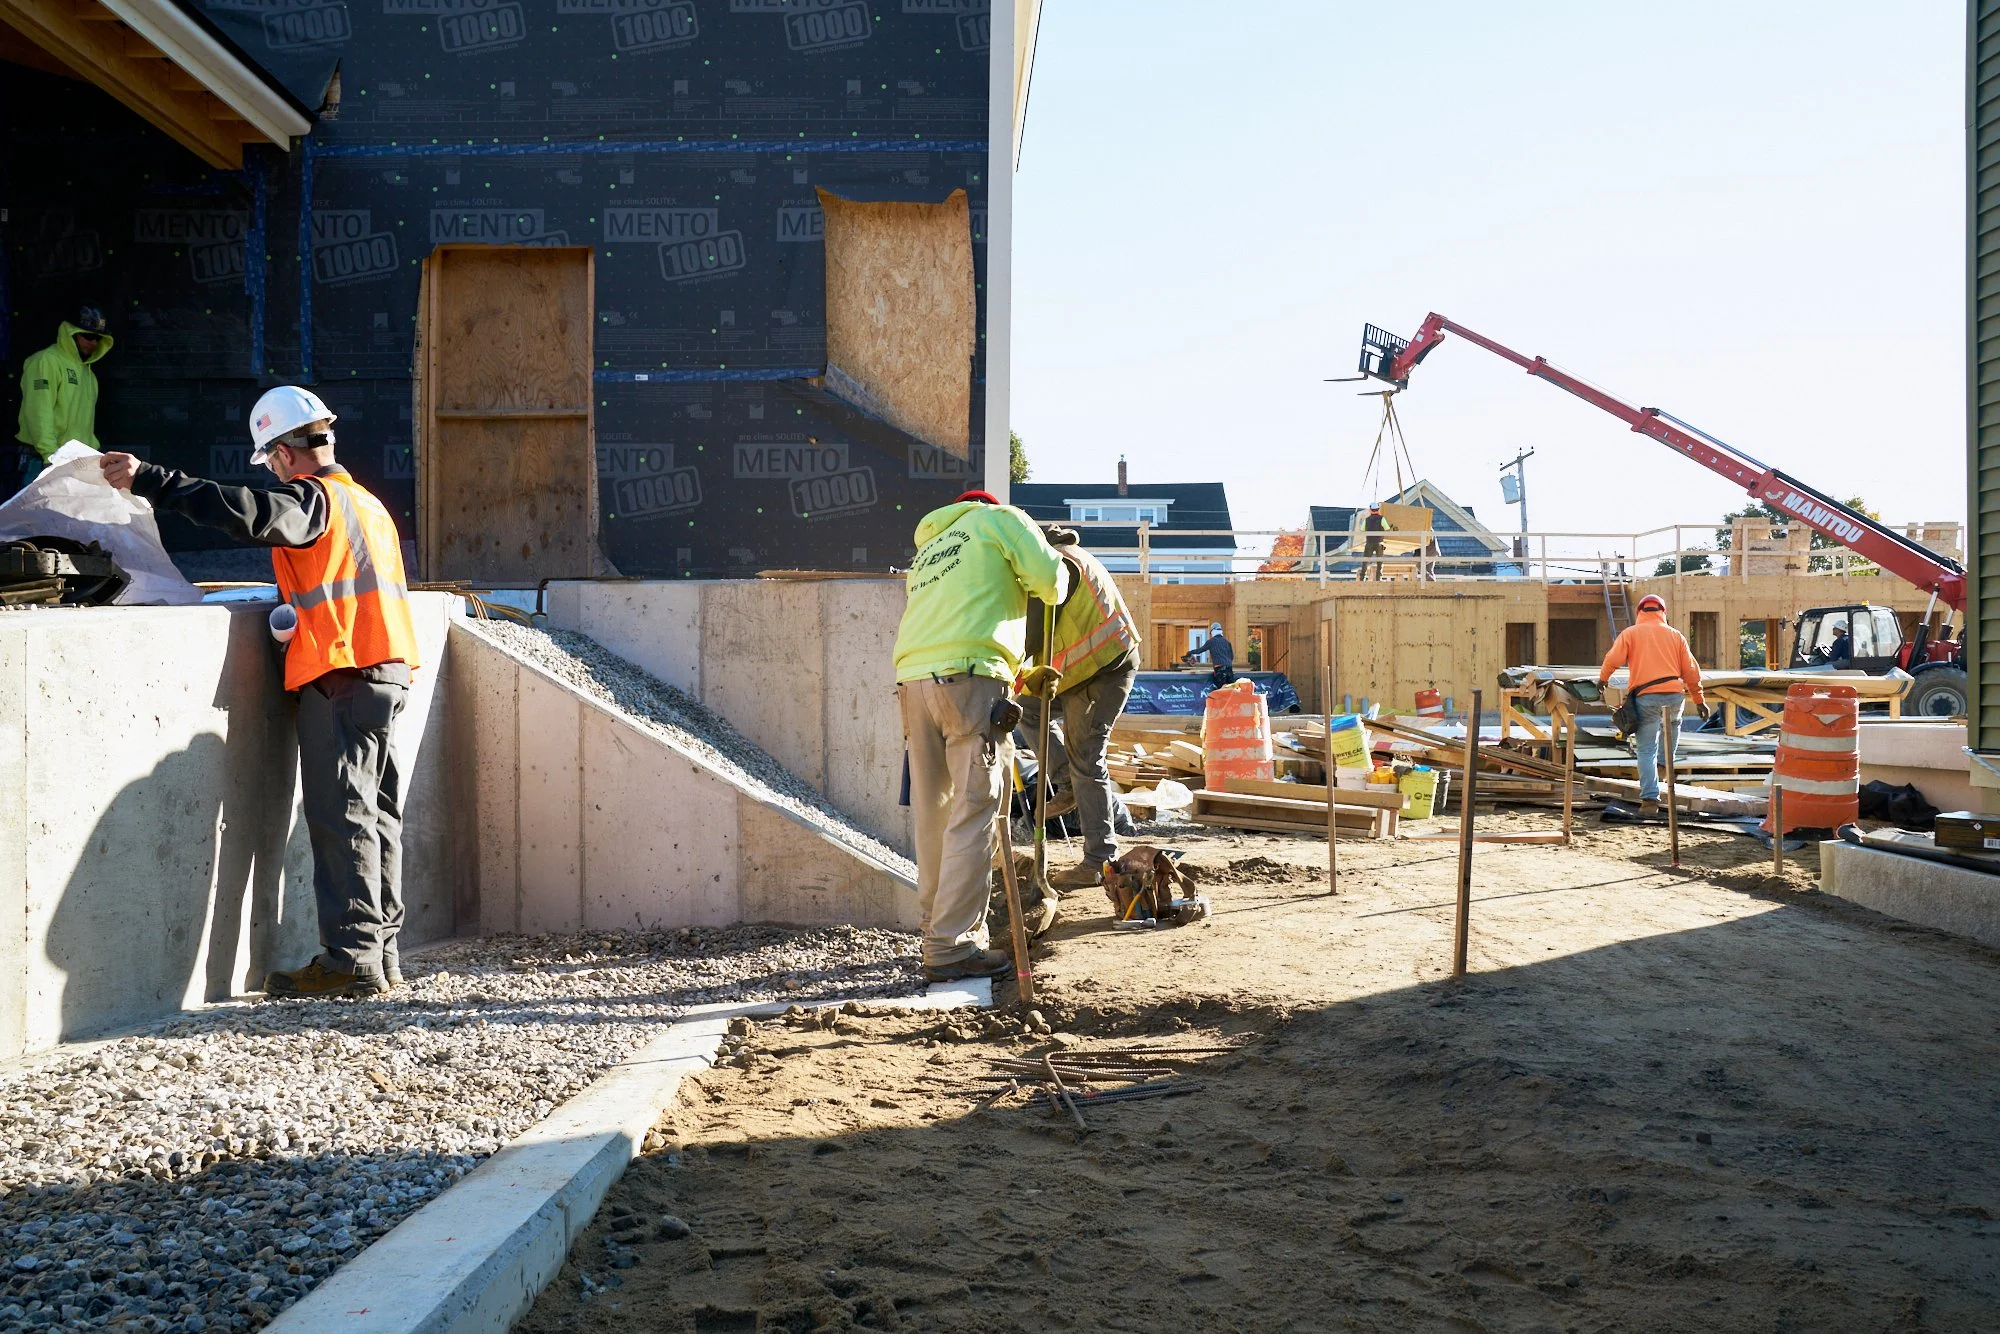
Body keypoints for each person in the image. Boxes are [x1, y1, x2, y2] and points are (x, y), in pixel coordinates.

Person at [101, 386, 421, 999]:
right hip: (386, 674)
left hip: (342, 677)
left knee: (342, 819)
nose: (273, 473)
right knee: (378, 820)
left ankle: (352, 960)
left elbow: (250, 514)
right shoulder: (368, 505)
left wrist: (154, 480)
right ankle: (382, 953)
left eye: (271, 461)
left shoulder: (315, 500)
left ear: (283, 454)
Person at [893, 488, 1068, 983]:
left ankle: (936, 927)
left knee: (935, 810)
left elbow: (962, 610)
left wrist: (1018, 671)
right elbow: (1051, 583)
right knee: (975, 809)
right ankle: (952, 945)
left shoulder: (931, 546)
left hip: (914, 682)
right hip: (971, 681)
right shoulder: (1001, 520)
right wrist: (1051, 553)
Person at [1021, 526, 1141, 892]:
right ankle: (1065, 781)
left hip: (1103, 668)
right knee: (1028, 706)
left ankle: (1098, 859)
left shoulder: (1059, 567)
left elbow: (1028, 634)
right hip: (1083, 669)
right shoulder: (1070, 557)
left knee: (1086, 757)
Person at [1597, 593, 1705, 807]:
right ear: (1663, 612)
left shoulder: (1631, 633)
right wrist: (1699, 699)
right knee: (1672, 728)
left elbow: (1613, 659)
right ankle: (1664, 767)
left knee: (1646, 749)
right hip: (1675, 696)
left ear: (1639, 612)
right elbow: (1691, 671)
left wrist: (1603, 679)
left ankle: (1649, 799)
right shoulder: (1676, 636)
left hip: (1646, 698)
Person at [16, 306, 113, 484]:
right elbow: (38, 411)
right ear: (70, 333)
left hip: (74, 464)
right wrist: (50, 457)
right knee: (37, 512)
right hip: (44, 462)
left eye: (98, 338)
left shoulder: (88, 374)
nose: (93, 342)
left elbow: (85, 425)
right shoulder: (46, 361)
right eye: (88, 336)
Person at [1183, 621, 1235, 687]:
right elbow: (1231, 657)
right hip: (1229, 669)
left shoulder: (1211, 642)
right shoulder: (1227, 642)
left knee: (1222, 689)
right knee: (1230, 688)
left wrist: (1190, 652)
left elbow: (1200, 650)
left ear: (1213, 632)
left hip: (1219, 669)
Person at [1360, 502, 1390, 580]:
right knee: (1379, 561)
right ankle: (1378, 578)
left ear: (1370, 510)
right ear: (1378, 509)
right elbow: (1387, 529)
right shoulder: (1382, 518)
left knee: (1365, 560)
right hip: (1379, 542)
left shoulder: (1367, 520)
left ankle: (1362, 578)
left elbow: (1362, 529)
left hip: (1369, 542)